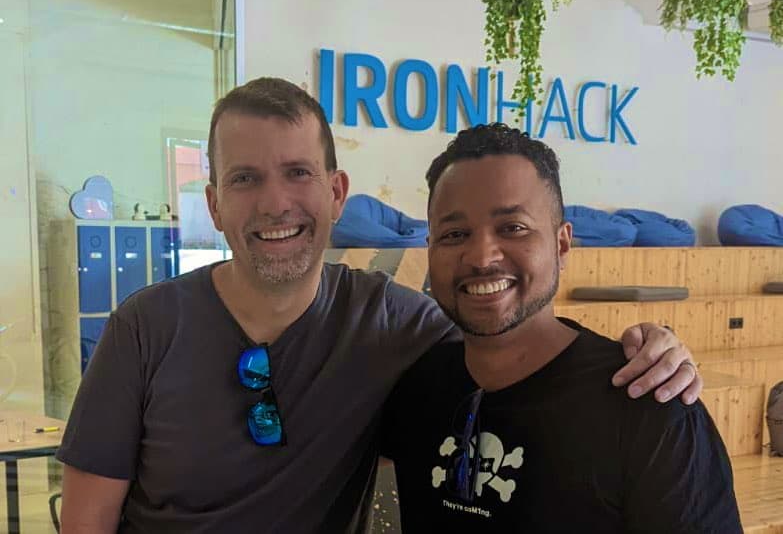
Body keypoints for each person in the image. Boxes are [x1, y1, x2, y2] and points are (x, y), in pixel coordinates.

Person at [57, 79, 702, 533]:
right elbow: (86, 522)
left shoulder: (396, 326)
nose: (275, 203)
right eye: (245, 178)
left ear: (337, 192)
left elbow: (511, 335)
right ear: (214, 203)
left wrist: (650, 346)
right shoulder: (144, 328)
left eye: (298, 172)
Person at [382, 124, 741, 532]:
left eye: (512, 227)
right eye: (455, 234)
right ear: (430, 249)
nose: (482, 257)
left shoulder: (650, 407)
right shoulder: (416, 389)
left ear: (562, 244)